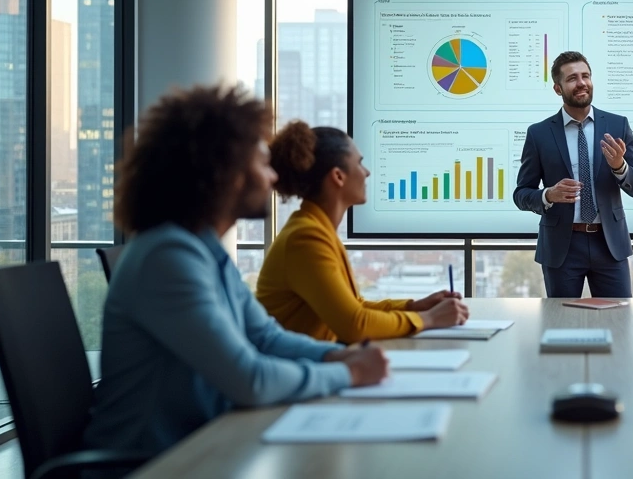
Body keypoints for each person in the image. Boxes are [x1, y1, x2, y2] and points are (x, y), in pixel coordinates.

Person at [84, 85, 390, 458]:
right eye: (262, 164)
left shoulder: (204, 252)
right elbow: (251, 379)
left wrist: (334, 357)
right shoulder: (167, 259)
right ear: (227, 173)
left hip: (204, 446)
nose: (273, 177)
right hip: (152, 465)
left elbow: (266, 338)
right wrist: (350, 373)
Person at [257, 121, 468, 341]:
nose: (366, 173)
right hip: (298, 361)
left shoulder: (315, 228)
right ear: (338, 176)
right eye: (359, 163)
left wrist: (415, 307)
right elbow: (356, 324)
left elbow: (355, 308)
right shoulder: (305, 239)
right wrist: (429, 319)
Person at [513, 51, 633, 297]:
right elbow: (521, 194)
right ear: (558, 88)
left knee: (618, 316)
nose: (582, 82)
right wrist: (548, 195)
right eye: (572, 78)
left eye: (586, 76)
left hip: (609, 244)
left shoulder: (617, 125)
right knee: (561, 318)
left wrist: (619, 166)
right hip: (561, 247)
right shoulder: (539, 133)